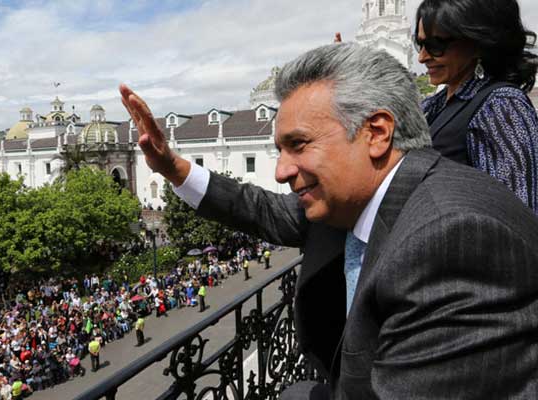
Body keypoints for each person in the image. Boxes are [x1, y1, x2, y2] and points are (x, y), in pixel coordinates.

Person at [120, 43, 538, 398]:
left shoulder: (452, 237)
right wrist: (174, 168)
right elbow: (261, 208)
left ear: (376, 133)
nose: (282, 170)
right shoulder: (354, 201)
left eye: (298, 145)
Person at [415, 0, 538, 213]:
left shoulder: (501, 107)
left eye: (436, 45)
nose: (422, 57)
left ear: (477, 42)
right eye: (420, 44)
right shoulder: (435, 104)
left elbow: (517, 216)